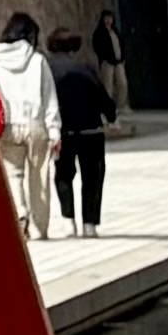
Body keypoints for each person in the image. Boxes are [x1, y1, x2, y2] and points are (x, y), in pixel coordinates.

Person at [0, 12, 63, 241]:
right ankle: (40, 228)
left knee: (13, 174)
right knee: (39, 177)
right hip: (35, 125)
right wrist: (54, 130)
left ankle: (20, 214)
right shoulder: (38, 60)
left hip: (6, 126)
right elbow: (49, 98)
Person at [55, 17, 120, 234]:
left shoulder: (49, 68)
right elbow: (102, 96)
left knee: (63, 174)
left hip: (64, 130)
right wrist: (111, 116)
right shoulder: (85, 68)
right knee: (92, 177)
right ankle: (89, 224)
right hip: (90, 129)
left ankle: (68, 220)